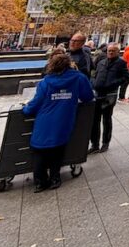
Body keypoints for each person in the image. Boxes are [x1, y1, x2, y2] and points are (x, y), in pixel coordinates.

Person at [23, 52, 94, 191]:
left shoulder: (45, 82)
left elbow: (35, 103)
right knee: (58, 149)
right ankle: (55, 178)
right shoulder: (78, 78)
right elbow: (88, 96)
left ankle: (40, 181)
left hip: (44, 121)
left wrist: (26, 110)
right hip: (64, 120)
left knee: (39, 150)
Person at [89, 43, 129, 153]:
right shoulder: (101, 62)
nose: (110, 52)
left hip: (109, 96)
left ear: (118, 52)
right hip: (97, 94)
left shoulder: (121, 63)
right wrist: (93, 83)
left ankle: (105, 143)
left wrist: (113, 84)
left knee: (106, 120)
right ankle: (94, 144)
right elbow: (93, 75)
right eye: (109, 51)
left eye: (113, 51)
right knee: (95, 120)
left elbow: (126, 77)